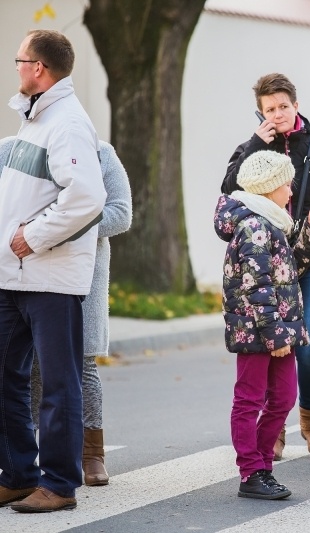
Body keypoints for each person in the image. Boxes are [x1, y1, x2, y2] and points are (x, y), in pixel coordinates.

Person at [0, 29, 107, 512]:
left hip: (50, 278)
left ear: (38, 68)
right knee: (6, 376)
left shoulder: (66, 122)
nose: (16, 65)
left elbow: (87, 197)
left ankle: (59, 484)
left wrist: (33, 235)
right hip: (14, 275)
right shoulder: (35, 119)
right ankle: (19, 473)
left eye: (20, 59)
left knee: (59, 383)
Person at [222, 73, 310, 457]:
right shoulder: (254, 149)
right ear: (260, 113)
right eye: (269, 109)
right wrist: (254, 145)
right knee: (270, 346)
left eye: (283, 106)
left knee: (309, 345)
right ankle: (274, 428)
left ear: (296, 105)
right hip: (267, 265)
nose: (277, 114)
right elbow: (230, 189)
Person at [0, 137, 133, 487]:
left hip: (81, 274)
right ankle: (21, 455)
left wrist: (56, 228)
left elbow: (120, 214)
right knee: (23, 367)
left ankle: (92, 454)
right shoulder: (10, 149)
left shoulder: (100, 152)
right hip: (22, 272)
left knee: (81, 364)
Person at [214, 150, 310, 500]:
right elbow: (256, 286)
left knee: (284, 397)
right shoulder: (254, 227)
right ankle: (251, 472)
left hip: (276, 328)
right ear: (269, 188)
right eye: (286, 184)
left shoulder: (271, 223)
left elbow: (286, 271)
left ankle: (261, 466)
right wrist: (275, 335)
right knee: (249, 400)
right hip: (257, 331)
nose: (291, 191)